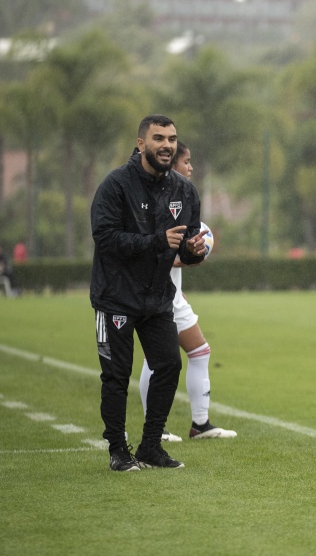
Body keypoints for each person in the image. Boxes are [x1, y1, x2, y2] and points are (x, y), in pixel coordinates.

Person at [90, 114, 209, 472]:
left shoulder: (184, 191)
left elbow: (182, 248)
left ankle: (150, 446)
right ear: (141, 144)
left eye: (172, 139)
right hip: (116, 297)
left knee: (169, 365)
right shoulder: (116, 186)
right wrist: (158, 241)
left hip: (158, 298)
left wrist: (192, 252)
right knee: (116, 374)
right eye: (159, 138)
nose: (167, 145)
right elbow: (105, 239)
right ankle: (117, 450)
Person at [139, 140, 237, 441]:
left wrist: (190, 259)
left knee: (190, 352)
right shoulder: (160, 200)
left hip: (170, 294)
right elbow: (155, 250)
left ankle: (195, 425)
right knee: (183, 354)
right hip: (155, 293)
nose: (191, 167)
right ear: (171, 164)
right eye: (187, 161)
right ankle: (179, 426)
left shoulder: (178, 198)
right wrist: (189, 256)